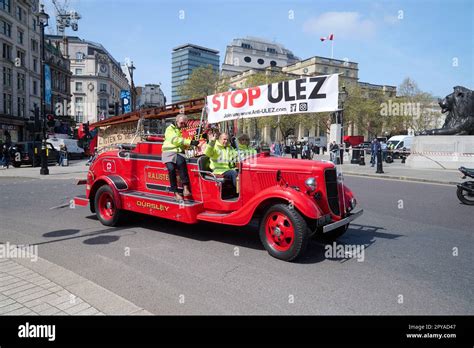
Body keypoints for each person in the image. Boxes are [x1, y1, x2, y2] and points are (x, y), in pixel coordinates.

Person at [162, 115, 199, 201]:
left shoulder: (183, 130)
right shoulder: (170, 129)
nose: (182, 124)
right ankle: (175, 192)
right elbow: (175, 140)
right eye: (181, 123)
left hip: (178, 152)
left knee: (181, 163)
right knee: (171, 169)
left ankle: (186, 188)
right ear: (176, 121)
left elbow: (186, 139)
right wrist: (191, 142)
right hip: (168, 152)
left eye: (184, 123)